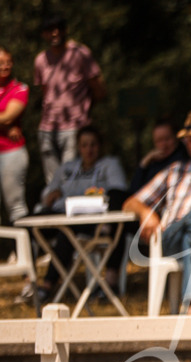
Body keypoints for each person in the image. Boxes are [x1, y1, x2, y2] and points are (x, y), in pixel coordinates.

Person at [123, 109, 191, 315]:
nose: (190, 142)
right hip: (170, 238)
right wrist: (145, 212)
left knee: (190, 241)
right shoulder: (176, 170)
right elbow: (130, 202)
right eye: (187, 139)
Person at [32, 125, 127, 302]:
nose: (89, 149)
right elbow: (48, 194)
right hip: (63, 216)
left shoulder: (110, 165)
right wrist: (51, 195)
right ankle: (31, 282)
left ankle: (47, 286)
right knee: (27, 226)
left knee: (66, 234)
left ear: (100, 146)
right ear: (78, 147)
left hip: (95, 221)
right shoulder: (67, 168)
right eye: (84, 145)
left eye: (93, 144)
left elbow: (118, 193)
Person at [33, 15, 106, 185]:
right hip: (47, 129)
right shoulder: (40, 60)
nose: (55, 33)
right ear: (43, 34)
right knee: (53, 183)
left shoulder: (80, 53)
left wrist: (83, 109)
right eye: (50, 30)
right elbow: (46, 93)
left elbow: (99, 89)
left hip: (74, 127)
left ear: (65, 30)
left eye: (58, 28)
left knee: (70, 178)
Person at [0, 46, 29, 225]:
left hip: (11, 152)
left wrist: (7, 123)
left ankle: (25, 242)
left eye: (8, 62)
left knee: (15, 206)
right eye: (1, 63)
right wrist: (6, 126)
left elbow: (9, 116)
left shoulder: (19, 88)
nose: (5, 66)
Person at [129, 117, 188, 194]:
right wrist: (144, 162)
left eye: (167, 139)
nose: (164, 144)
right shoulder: (154, 162)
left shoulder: (184, 158)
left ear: (176, 137)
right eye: (159, 140)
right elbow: (134, 190)